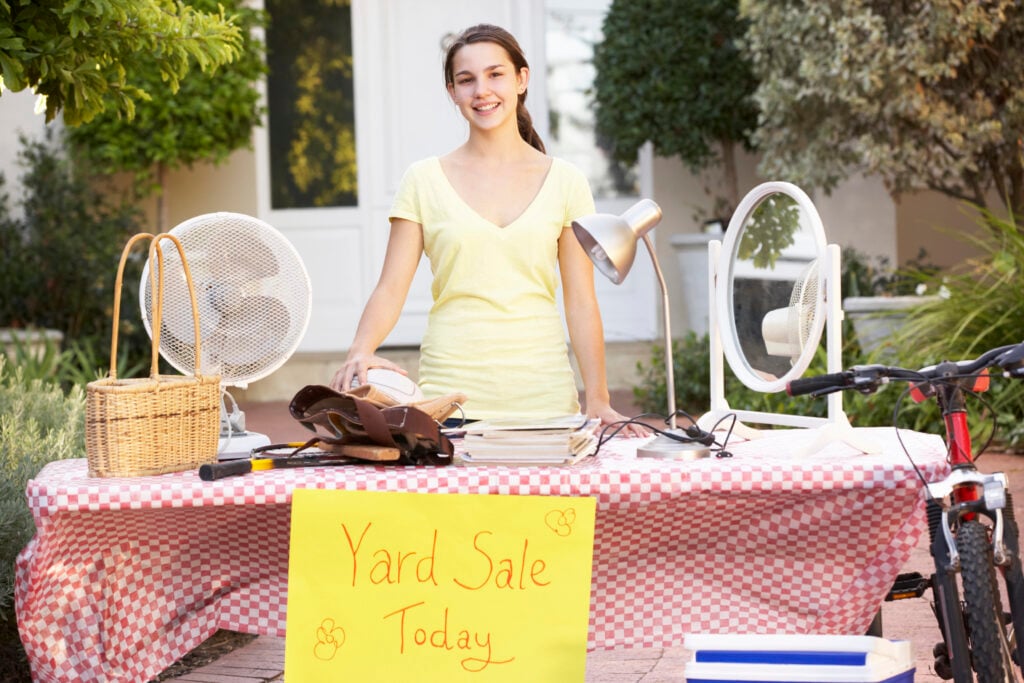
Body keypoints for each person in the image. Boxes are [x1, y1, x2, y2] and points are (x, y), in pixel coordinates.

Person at [330, 23, 645, 436]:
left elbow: (581, 301)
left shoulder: (566, 181)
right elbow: (391, 287)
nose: (482, 90)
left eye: (495, 74)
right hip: (449, 404)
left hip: (546, 404)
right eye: (467, 80)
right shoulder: (423, 180)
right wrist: (361, 350)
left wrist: (599, 398)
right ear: (452, 92)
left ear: (521, 79)